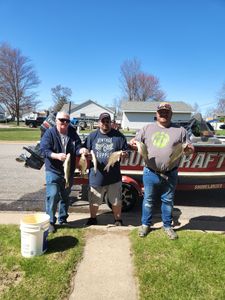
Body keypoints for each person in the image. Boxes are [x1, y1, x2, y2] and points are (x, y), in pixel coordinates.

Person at [130, 102, 194, 239]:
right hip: (150, 172)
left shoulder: (181, 130)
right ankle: (145, 225)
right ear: (156, 114)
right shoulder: (146, 128)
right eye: (161, 112)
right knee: (148, 199)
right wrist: (133, 144)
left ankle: (167, 226)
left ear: (171, 114)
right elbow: (135, 143)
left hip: (170, 173)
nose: (163, 114)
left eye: (166, 112)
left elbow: (188, 150)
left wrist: (190, 150)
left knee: (168, 201)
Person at [40, 111, 87, 233]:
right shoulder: (50, 133)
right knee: (53, 195)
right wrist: (56, 155)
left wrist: (81, 149)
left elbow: (77, 147)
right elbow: (44, 150)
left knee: (65, 196)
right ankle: (50, 221)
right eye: (62, 120)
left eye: (67, 121)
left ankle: (63, 219)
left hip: (68, 171)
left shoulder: (72, 132)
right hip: (53, 170)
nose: (65, 123)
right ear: (56, 121)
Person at [83, 112, 129, 226]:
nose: (105, 123)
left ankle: (118, 220)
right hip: (96, 176)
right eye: (103, 121)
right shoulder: (92, 136)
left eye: (107, 121)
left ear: (111, 123)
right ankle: (93, 218)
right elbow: (84, 149)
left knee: (116, 200)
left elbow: (126, 151)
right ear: (99, 123)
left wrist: (124, 154)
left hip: (113, 176)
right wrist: (85, 153)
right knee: (94, 200)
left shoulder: (119, 136)